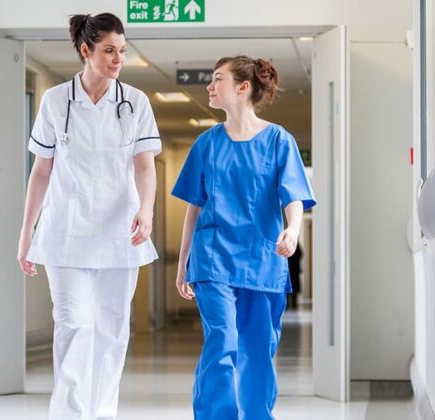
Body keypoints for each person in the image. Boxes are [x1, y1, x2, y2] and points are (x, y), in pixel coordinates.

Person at [16, 13, 161, 420]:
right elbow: (41, 170)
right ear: (86, 51)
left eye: (122, 51)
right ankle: (68, 414)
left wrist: (146, 210)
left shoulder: (135, 103)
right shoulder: (56, 101)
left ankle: (102, 413)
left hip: (120, 234)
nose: (118, 59)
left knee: (112, 333)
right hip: (66, 234)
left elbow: (145, 166)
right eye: (109, 51)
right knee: (74, 325)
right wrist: (26, 233)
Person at [172, 55, 316, 420]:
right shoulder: (206, 144)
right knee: (221, 343)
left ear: (242, 87)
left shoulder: (278, 140)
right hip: (213, 258)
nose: (209, 86)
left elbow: (294, 196)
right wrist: (184, 261)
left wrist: (293, 230)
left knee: (257, 349)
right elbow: (195, 206)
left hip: (262, 259)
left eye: (217, 79)